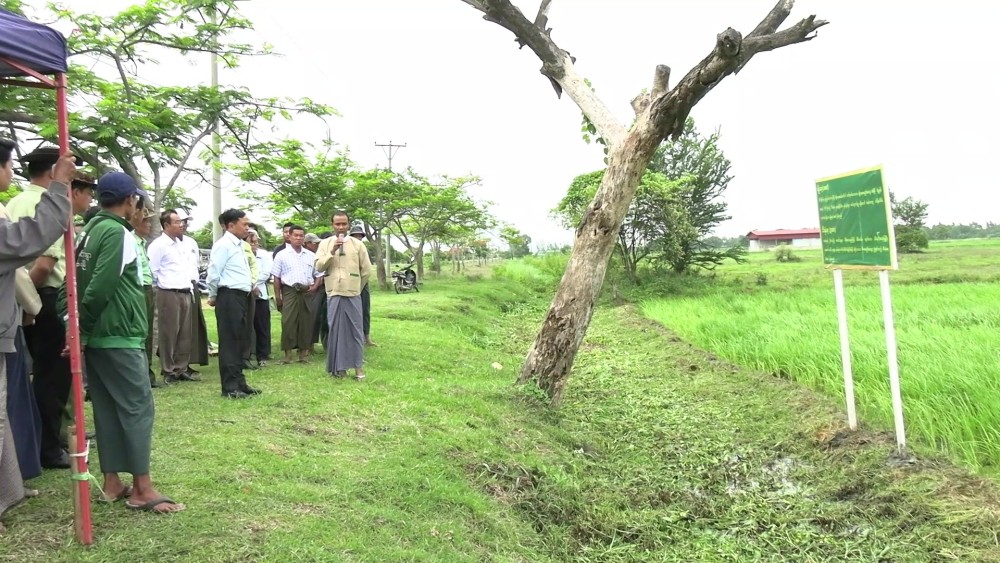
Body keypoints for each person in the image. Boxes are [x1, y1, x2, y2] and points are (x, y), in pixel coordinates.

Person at [68, 171, 184, 513]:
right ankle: (142, 489)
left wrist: (73, 328)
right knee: (137, 408)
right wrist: (82, 330)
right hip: (118, 334)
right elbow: (99, 287)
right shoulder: (118, 233)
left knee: (107, 409)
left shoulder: (88, 232)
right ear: (131, 200)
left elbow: (70, 285)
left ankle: (112, 481)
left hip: (99, 337)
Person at [0, 144, 74, 528]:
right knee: (48, 377)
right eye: (7, 164)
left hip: (19, 307)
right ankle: (48, 448)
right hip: (37, 301)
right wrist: (33, 305)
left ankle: (13, 482)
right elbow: (35, 252)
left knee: (16, 395)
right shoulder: (38, 204)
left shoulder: (11, 204)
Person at [206, 209, 260, 399]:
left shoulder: (239, 245)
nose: (247, 228)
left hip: (242, 296)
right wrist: (213, 295)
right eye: (244, 224)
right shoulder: (223, 245)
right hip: (229, 295)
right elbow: (214, 273)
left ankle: (239, 383)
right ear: (231, 225)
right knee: (230, 341)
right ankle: (229, 387)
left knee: (240, 339)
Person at [315, 211, 371, 380]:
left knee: (355, 331)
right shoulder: (325, 244)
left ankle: (358, 368)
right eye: (337, 224)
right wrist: (331, 251)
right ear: (332, 225)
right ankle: (340, 369)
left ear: (348, 225)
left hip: (353, 293)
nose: (341, 227)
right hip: (333, 292)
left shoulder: (357, 244)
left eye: (344, 224)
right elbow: (319, 267)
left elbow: (366, 271)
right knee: (336, 331)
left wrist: (356, 287)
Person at [147, 210, 195, 385]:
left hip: (185, 291)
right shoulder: (159, 245)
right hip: (169, 292)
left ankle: (181, 368)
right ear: (166, 225)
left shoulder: (181, 244)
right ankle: (168, 370)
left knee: (184, 333)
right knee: (169, 332)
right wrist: (163, 287)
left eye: (181, 221)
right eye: (177, 222)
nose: (181, 225)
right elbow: (152, 270)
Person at [271, 225, 322, 364]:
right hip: (289, 290)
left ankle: (303, 355)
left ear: (304, 238)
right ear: (290, 236)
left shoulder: (311, 255)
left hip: (306, 291)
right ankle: (288, 355)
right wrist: (278, 296)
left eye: (301, 236)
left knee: (306, 322)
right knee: (288, 321)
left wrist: (314, 287)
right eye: (296, 235)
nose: (298, 238)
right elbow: (276, 277)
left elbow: (319, 274)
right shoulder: (282, 255)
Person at [129, 202, 158, 387]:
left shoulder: (142, 242)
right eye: (145, 221)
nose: (148, 225)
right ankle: (141, 373)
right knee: (140, 331)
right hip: (138, 288)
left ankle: (147, 372)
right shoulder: (130, 240)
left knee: (148, 333)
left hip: (147, 288)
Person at [176, 209, 208, 376]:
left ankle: (187, 361)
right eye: (181, 221)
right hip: (175, 288)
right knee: (178, 327)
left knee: (193, 326)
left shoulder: (191, 242)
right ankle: (176, 364)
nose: (184, 225)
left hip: (192, 285)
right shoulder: (165, 243)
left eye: (186, 221)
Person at [349, 224, 378, 347]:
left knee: (365, 310)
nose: (358, 238)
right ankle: (353, 338)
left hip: (363, 283)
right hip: (350, 283)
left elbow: (367, 268)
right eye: (355, 236)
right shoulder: (347, 248)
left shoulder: (364, 249)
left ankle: (367, 337)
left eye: (360, 236)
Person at [248, 229, 272, 367]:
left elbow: (266, 273)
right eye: (251, 242)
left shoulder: (264, 255)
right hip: (245, 293)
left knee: (262, 326)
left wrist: (252, 283)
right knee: (247, 326)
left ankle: (263, 355)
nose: (254, 244)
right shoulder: (241, 254)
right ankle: (248, 355)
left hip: (261, 294)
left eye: (256, 241)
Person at [303, 233, 326, 352]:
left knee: (316, 317)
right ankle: (305, 346)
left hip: (319, 289)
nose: (317, 245)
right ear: (306, 243)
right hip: (307, 289)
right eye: (314, 243)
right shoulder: (303, 255)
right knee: (309, 318)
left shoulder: (316, 255)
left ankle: (311, 345)